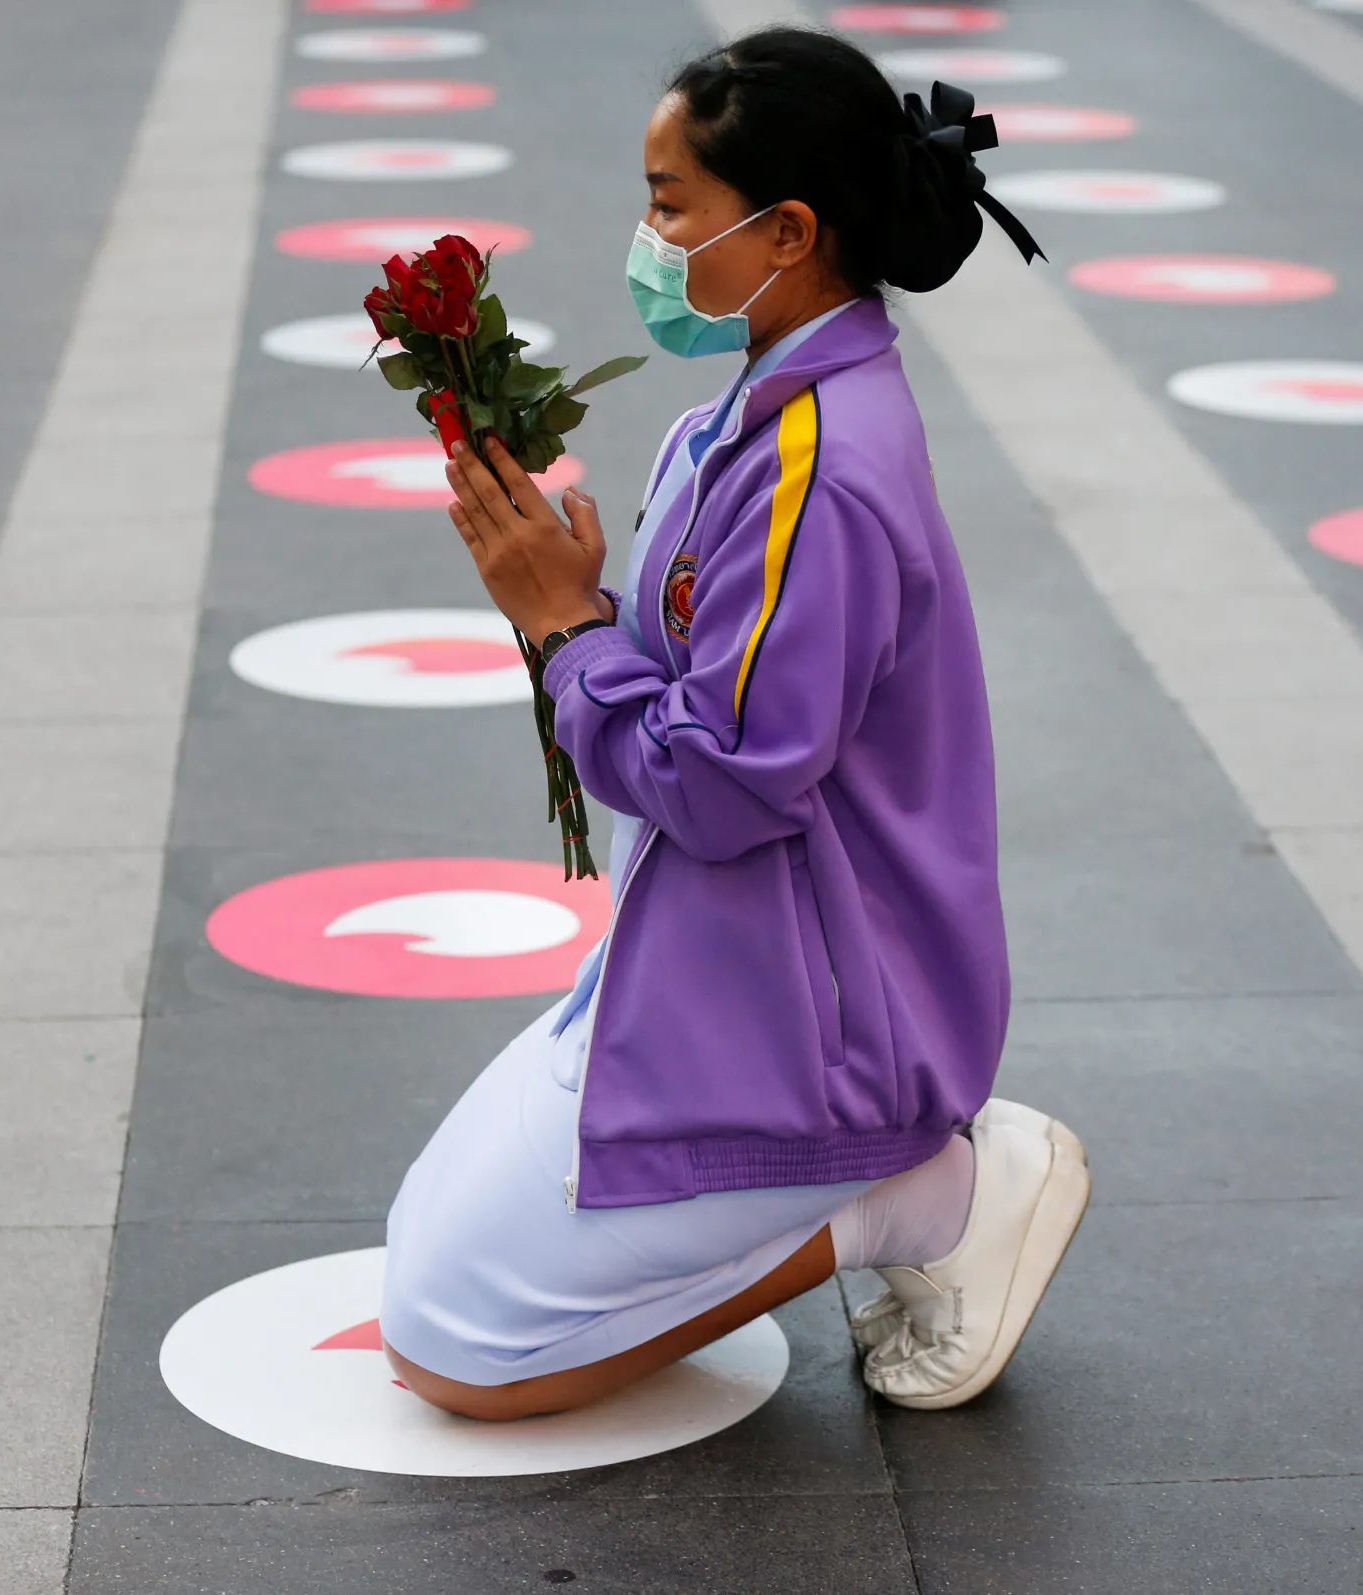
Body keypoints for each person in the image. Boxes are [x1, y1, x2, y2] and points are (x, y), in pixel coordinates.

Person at [380, 25, 1089, 1422]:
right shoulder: (752, 415)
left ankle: (936, 1192)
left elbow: (718, 787)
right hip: (721, 969)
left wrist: (562, 626)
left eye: (668, 204)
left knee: (464, 1349)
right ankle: (898, 1172)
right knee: (422, 1261)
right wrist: (573, 597)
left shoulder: (816, 468)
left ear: (788, 231)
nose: (648, 239)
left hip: (816, 1020)